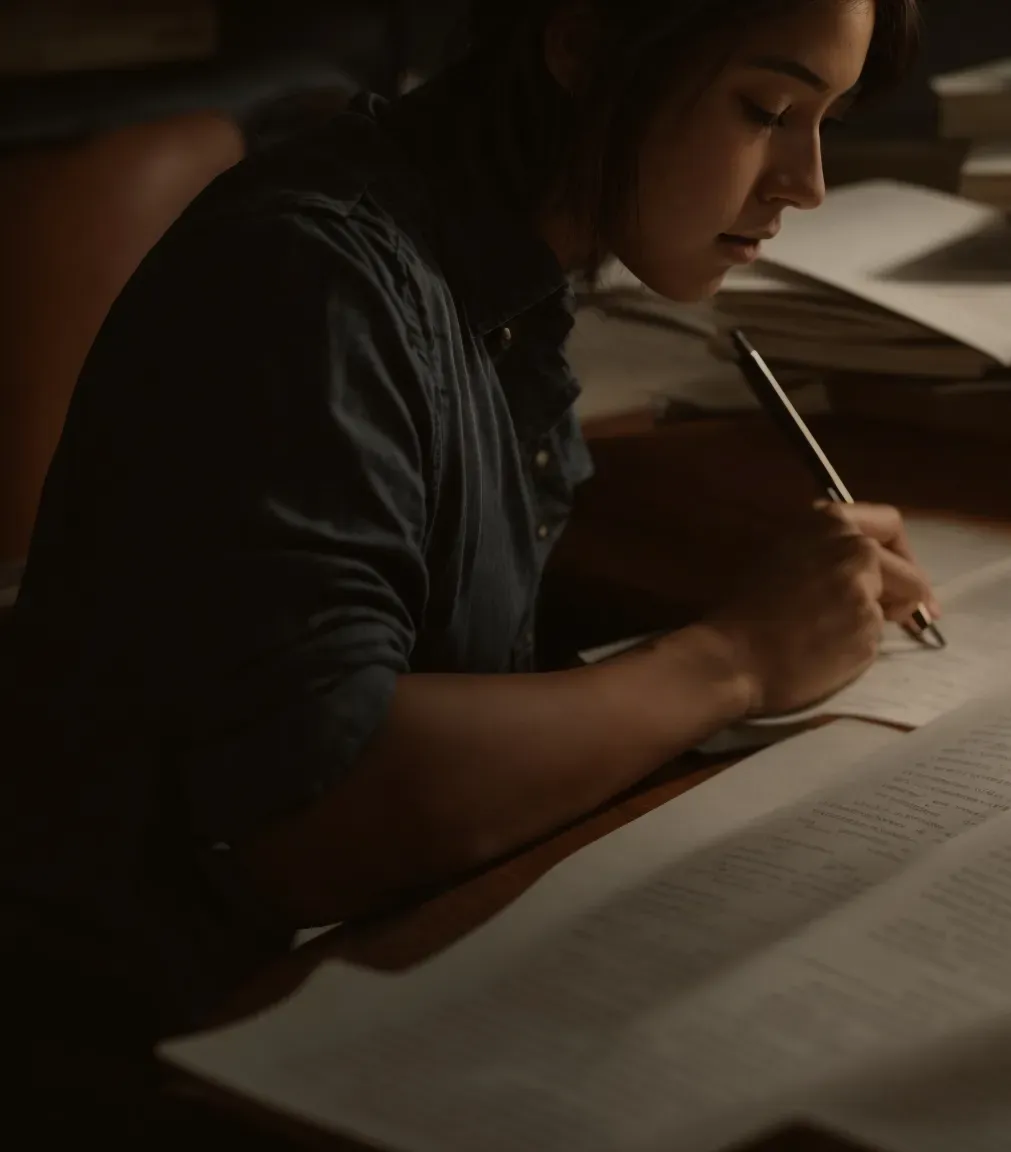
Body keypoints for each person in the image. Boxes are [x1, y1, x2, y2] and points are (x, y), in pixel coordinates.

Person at [0, 0, 931, 1120]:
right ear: (582, 42)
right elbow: (313, 814)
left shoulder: (503, 256)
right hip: (148, 1060)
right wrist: (734, 658)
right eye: (768, 110)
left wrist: (736, 600)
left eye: (827, 118)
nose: (807, 182)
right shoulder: (313, 277)